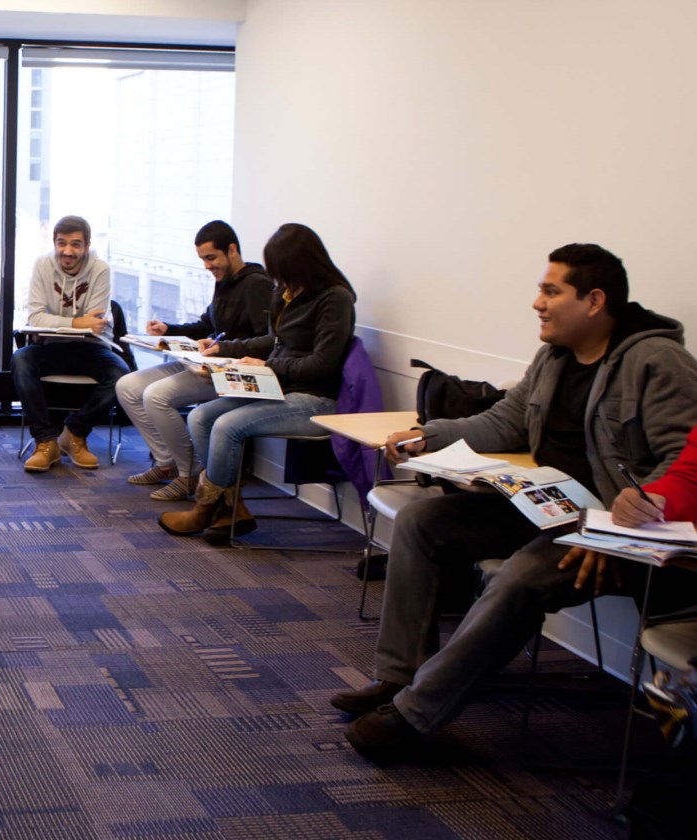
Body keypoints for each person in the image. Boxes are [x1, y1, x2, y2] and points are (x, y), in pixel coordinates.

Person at [336, 243, 697, 763]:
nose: (537, 303)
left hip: (602, 531)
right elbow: (506, 421)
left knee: (520, 578)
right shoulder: (555, 355)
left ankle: (414, 715)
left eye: (551, 291)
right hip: (545, 505)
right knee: (421, 521)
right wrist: (429, 435)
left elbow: (684, 462)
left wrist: (620, 534)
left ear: (594, 300)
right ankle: (397, 677)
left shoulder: (656, 361)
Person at [159, 223, 356, 543]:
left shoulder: (335, 299)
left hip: (315, 399)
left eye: (283, 272)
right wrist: (228, 353)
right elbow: (274, 341)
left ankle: (206, 507)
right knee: (200, 417)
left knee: (227, 426)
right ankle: (231, 508)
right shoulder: (288, 292)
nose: (278, 281)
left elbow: (323, 365)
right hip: (278, 387)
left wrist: (269, 367)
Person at [116, 220, 272, 500]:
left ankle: (188, 474)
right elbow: (207, 324)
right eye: (203, 259)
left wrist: (223, 347)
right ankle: (167, 465)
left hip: (232, 372)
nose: (207, 266)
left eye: (211, 258)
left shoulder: (257, 284)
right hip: (206, 362)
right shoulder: (224, 281)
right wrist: (169, 329)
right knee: (127, 386)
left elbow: (268, 340)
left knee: (155, 396)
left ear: (232, 250)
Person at [14, 215, 132, 473]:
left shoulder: (100, 269)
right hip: (52, 348)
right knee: (21, 359)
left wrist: (65, 323)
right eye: (62, 243)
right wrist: (79, 323)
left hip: (91, 348)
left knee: (121, 375)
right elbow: (35, 316)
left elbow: (97, 322)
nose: (68, 251)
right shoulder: (42, 265)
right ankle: (46, 442)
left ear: (87, 245)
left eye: (76, 244)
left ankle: (74, 433)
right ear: (54, 243)